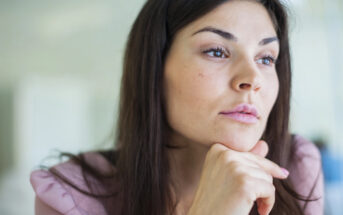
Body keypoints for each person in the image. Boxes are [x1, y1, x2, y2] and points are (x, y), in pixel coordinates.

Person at [30, 0, 324, 214]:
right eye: (217, 51)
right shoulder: (69, 197)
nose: (252, 79)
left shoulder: (297, 166)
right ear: (155, 68)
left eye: (266, 58)